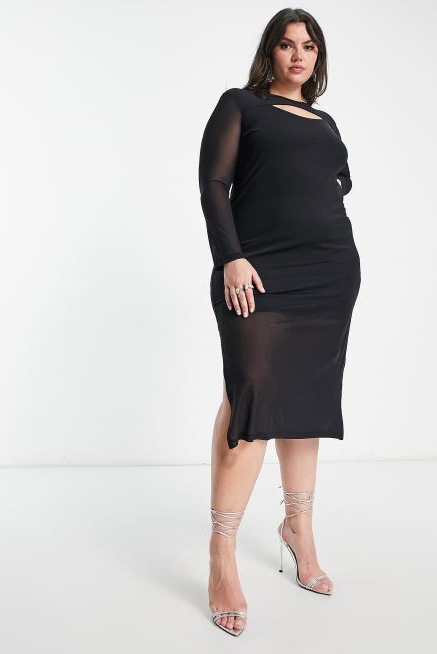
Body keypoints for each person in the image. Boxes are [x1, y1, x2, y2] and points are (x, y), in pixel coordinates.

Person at [198, 9, 361, 637]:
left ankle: (299, 529)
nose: (299, 55)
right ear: (270, 51)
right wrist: (231, 257)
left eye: (309, 47)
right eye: (288, 45)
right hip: (257, 272)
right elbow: (214, 183)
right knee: (252, 399)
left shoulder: (327, 122)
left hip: (328, 275)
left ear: (318, 58)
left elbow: (333, 188)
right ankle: (221, 553)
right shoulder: (241, 105)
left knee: (306, 404)